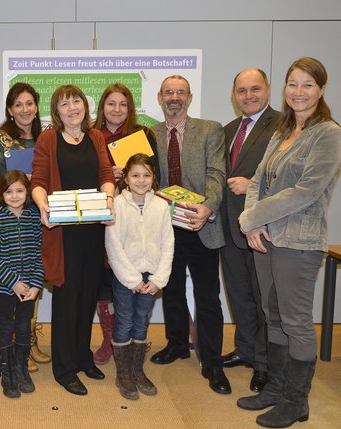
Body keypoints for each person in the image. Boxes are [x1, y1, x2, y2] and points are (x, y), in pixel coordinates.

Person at [238, 57, 341, 428]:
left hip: (299, 241)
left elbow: (307, 190)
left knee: (296, 322)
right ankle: (276, 389)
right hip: (266, 237)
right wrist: (251, 224)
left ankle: (296, 401)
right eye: (293, 84)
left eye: (307, 85)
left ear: (321, 90)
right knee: (273, 315)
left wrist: (253, 217)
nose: (299, 92)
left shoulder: (328, 133)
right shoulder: (283, 133)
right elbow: (256, 182)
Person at [31, 84, 115, 396]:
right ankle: (64, 368)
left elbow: (106, 175)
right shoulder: (48, 139)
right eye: (64, 103)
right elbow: (38, 181)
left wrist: (109, 199)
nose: (72, 108)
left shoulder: (95, 137)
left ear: (85, 105)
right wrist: (43, 205)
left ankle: (83, 358)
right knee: (67, 299)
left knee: (88, 296)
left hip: (94, 230)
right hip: (63, 233)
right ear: (57, 111)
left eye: (76, 101)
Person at [149, 75, 231, 395]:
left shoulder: (210, 129)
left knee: (207, 294)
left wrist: (207, 208)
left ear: (190, 97)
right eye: (168, 92)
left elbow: (217, 173)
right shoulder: (150, 134)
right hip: (166, 227)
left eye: (180, 92)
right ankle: (178, 344)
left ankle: (211, 360)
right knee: (171, 290)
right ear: (159, 97)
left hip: (201, 224)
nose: (174, 97)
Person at [220, 69, 281, 393]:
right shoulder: (229, 129)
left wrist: (253, 185)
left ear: (268, 90)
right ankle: (244, 348)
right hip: (230, 229)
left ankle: (263, 363)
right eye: (241, 90)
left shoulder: (284, 127)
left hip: (263, 229)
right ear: (234, 94)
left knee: (262, 299)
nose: (248, 95)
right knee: (239, 295)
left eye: (255, 89)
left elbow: (291, 180)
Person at [91, 83, 158, 366]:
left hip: (134, 217)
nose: (117, 109)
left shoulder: (143, 135)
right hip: (100, 214)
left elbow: (155, 176)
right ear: (102, 107)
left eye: (123, 104)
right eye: (111, 103)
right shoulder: (91, 136)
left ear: (130, 108)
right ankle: (110, 336)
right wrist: (106, 174)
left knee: (132, 273)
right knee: (104, 279)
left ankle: (132, 334)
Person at [0, 82, 51, 373]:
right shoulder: (2, 138)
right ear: (10, 110)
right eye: (18, 104)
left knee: (34, 273)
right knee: (14, 283)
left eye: (29, 103)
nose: (24, 109)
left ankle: (30, 342)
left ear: (36, 106)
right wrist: (23, 180)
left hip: (41, 213)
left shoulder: (47, 136)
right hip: (14, 212)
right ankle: (17, 350)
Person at [105, 153, 174, 400]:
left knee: (142, 320)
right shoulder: (118, 205)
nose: (141, 180)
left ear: (154, 177)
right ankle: (123, 373)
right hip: (127, 275)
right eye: (135, 175)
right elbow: (113, 246)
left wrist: (158, 279)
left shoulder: (161, 206)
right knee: (124, 320)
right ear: (126, 177)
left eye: (146, 175)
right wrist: (132, 279)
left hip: (153, 275)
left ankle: (137, 370)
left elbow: (168, 244)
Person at [0, 170, 44, 398]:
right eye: (9, 191)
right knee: (6, 327)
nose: (15, 195)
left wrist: (36, 284)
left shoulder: (33, 217)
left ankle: (21, 369)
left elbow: (40, 253)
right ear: (1, 194)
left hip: (30, 288)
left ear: (28, 192)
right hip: (5, 287)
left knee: (23, 327)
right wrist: (14, 283)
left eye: (20, 190)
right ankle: (7, 372)